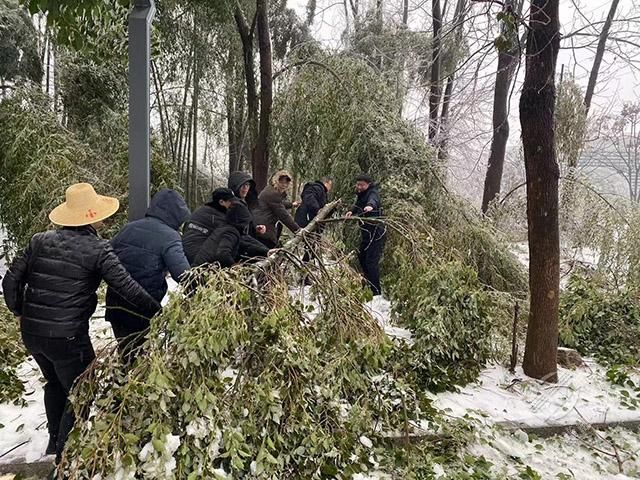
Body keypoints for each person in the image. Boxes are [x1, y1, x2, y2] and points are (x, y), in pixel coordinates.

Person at [1, 183, 161, 463]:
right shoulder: (98, 249)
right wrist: (157, 311)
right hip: (68, 338)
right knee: (80, 392)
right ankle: (66, 458)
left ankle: (55, 442)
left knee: (54, 383)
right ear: (92, 216)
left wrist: (18, 311)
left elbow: (10, 280)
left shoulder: (39, 241)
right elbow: (127, 287)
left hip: (33, 334)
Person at [105, 189, 191, 362]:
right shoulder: (170, 236)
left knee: (125, 350)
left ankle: (124, 372)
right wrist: (203, 285)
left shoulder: (128, 228)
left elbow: (106, 257)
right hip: (143, 305)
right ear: (176, 214)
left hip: (115, 303)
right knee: (139, 355)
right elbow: (183, 274)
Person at [345, 174, 385, 296]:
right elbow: (358, 204)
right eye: (358, 184)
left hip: (376, 234)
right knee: (362, 256)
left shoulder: (372, 193)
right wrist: (351, 211)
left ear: (368, 184)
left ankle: (376, 291)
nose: (359, 187)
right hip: (367, 234)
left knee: (371, 262)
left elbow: (373, 200)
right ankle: (368, 284)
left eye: (362, 185)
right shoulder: (361, 194)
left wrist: (370, 206)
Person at [192, 199, 254, 267]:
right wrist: (235, 266)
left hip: (201, 267)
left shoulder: (224, 228)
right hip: (205, 269)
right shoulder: (231, 232)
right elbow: (222, 254)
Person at [182, 187, 235, 266]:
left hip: (184, 256)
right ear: (221, 202)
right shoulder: (220, 219)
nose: (233, 204)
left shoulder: (199, 211)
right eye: (230, 201)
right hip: (200, 261)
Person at [227, 171, 270, 259]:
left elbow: (245, 228)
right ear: (236, 186)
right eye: (243, 185)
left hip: (245, 245)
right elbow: (238, 235)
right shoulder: (231, 205)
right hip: (234, 251)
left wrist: (255, 229)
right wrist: (263, 251)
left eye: (247, 185)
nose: (245, 188)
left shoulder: (245, 203)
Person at [252, 170, 301, 249]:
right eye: (281, 182)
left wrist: (291, 204)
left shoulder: (270, 191)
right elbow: (284, 216)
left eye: (286, 183)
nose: (284, 185)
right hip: (264, 229)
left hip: (259, 226)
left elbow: (279, 204)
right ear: (276, 181)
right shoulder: (272, 194)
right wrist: (298, 231)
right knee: (267, 250)